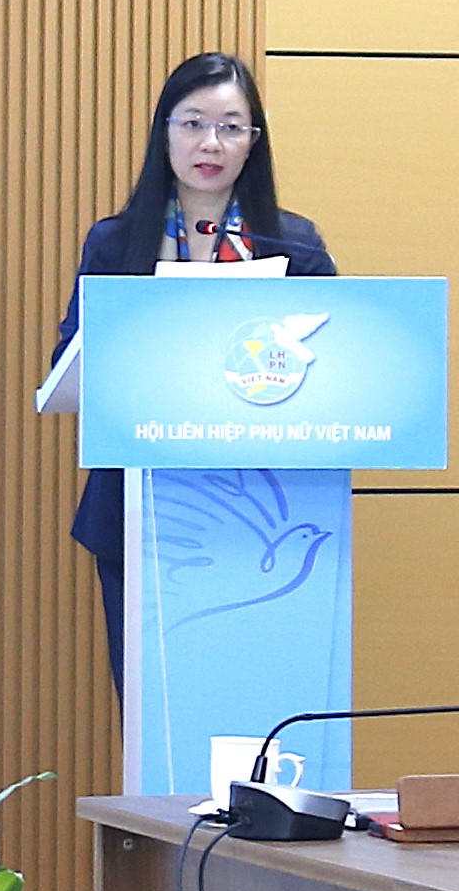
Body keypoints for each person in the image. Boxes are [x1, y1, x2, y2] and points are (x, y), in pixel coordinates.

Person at [54, 55, 333, 669]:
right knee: (154, 701)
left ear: (253, 142)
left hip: (267, 514)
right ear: (165, 132)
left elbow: (335, 371)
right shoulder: (115, 243)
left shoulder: (295, 246)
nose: (211, 143)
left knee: (259, 690)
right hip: (140, 509)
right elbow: (70, 360)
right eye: (193, 123)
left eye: (231, 127)